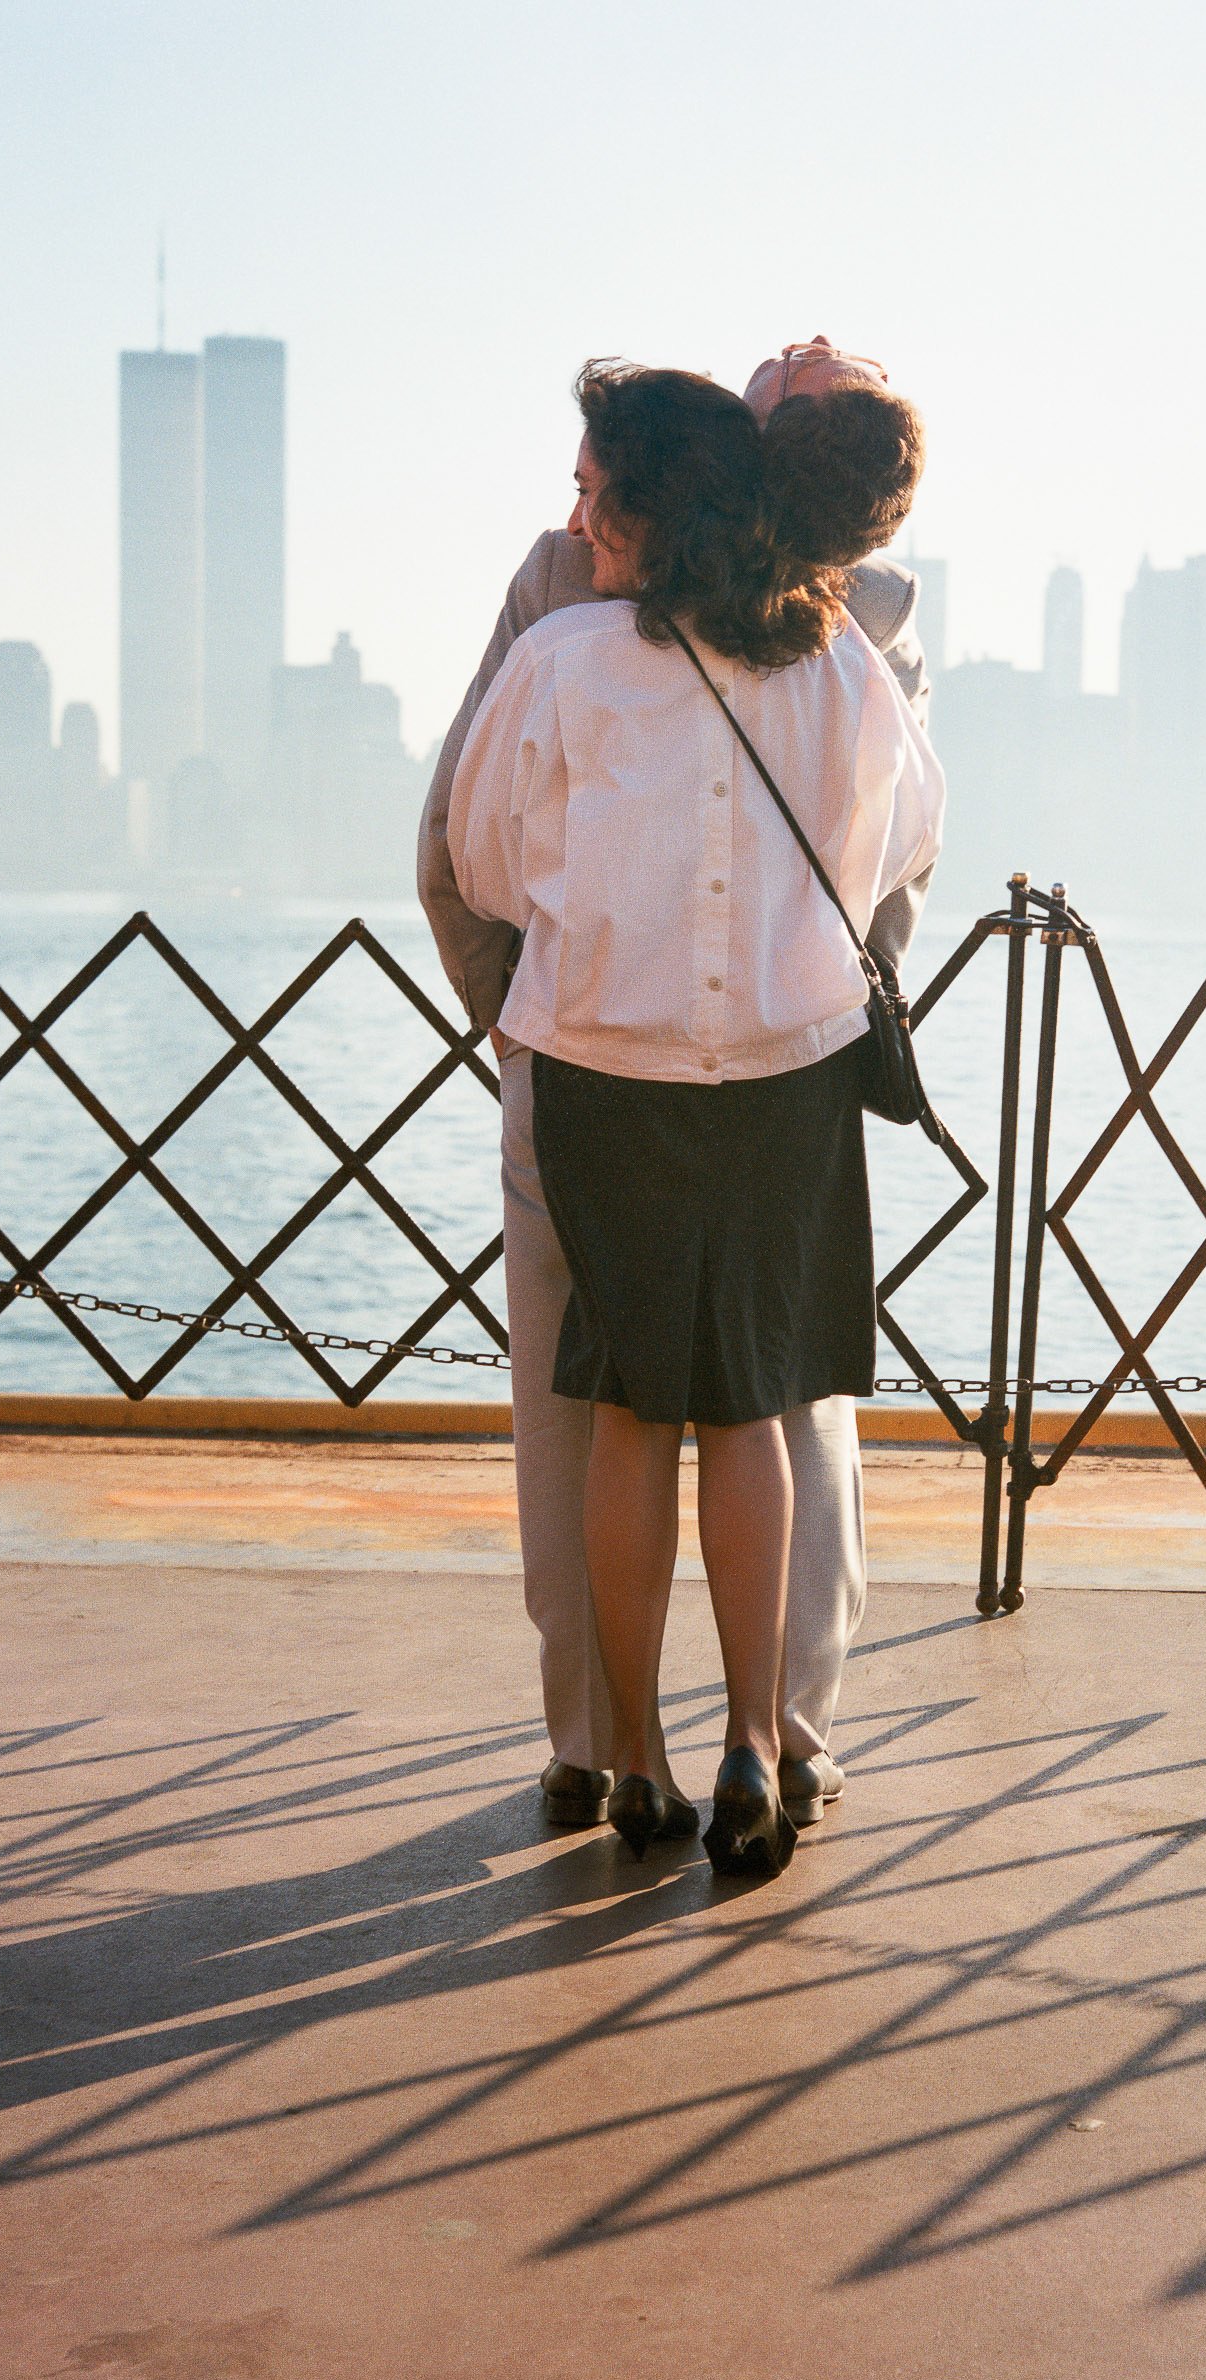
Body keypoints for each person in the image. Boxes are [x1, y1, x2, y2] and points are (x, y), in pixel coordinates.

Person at [418, 342, 929, 1837]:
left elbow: (474, 845)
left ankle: (628, 1750)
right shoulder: (855, 649)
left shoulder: (567, 635)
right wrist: (794, 982)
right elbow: (894, 851)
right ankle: (764, 1744)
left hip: (600, 1059)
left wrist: (558, 986)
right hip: (778, 1067)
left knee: (613, 1408)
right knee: (770, 1407)